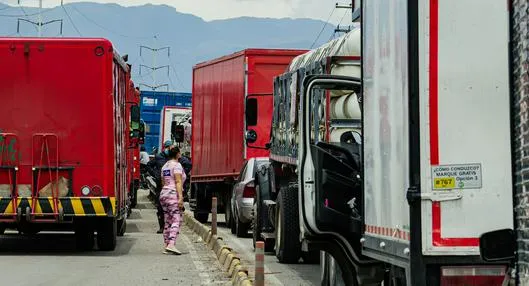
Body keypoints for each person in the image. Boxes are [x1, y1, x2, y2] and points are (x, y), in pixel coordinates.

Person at [160, 146, 186, 255]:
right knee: (177, 219)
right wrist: (180, 197)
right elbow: (178, 182)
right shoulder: (177, 165)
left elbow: (163, 182)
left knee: (168, 220)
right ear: (178, 154)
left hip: (163, 194)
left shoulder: (164, 166)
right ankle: (171, 244)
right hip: (172, 194)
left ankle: (166, 244)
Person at [147, 140, 173, 233]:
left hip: (171, 187)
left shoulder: (173, 157)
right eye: (167, 147)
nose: (168, 149)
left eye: (169, 147)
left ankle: (170, 227)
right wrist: (155, 174)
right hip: (160, 186)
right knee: (160, 207)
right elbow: (149, 165)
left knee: (171, 207)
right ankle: (162, 227)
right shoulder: (158, 157)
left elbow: (186, 164)